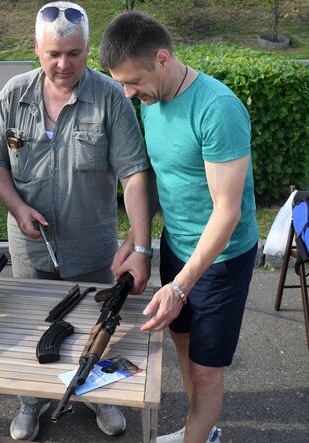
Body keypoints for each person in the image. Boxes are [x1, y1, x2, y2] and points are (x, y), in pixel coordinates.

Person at [0, 1, 152, 440]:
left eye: (73, 53)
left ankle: (97, 394)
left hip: (93, 247)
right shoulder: (13, 95)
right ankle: (30, 403)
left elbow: (133, 173)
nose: (63, 63)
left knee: (100, 325)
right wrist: (17, 208)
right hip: (30, 248)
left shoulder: (110, 97)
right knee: (33, 328)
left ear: (87, 49)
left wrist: (142, 244)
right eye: (53, 53)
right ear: (36, 48)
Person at [100, 11, 259, 443]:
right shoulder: (152, 104)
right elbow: (157, 177)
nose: (129, 93)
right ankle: (199, 433)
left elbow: (227, 213)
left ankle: (199, 436)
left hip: (222, 259)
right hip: (177, 246)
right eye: (122, 83)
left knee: (207, 371)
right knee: (183, 346)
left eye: (133, 81)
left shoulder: (217, 109)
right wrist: (137, 241)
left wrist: (180, 286)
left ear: (163, 59)